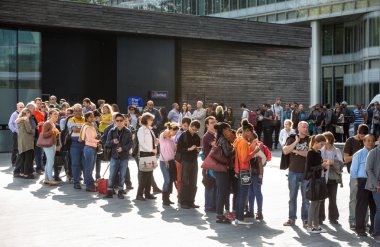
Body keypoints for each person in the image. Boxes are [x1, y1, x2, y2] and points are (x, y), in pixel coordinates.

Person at [283, 121, 310, 227]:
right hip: (293, 172)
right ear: (298, 128)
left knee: (306, 198)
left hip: (306, 173)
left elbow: (309, 153)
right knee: (292, 197)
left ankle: (306, 219)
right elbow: (285, 151)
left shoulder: (310, 139)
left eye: (307, 127)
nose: (305, 129)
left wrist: (296, 151)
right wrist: (295, 142)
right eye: (303, 127)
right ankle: (291, 218)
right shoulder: (292, 138)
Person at [343, 123, 369, 229]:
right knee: (353, 198)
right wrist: (357, 155)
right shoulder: (350, 141)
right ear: (357, 132)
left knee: (365, 199)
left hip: (366, 175)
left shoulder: (368, 141)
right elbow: (346, 159)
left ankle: (364, 221)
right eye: (361, 136)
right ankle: (352, 220)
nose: (362, 138)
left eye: (364, 137)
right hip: (354, 174)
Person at [351, 134, 376, 236]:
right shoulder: (359, 154)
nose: (370, 142)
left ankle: (374, 228)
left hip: (374, 181)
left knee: (374, 206)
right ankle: (360, 228)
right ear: (364, 142)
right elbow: (353, 170)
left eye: (372, 141)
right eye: (368, 140)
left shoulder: (376, 153)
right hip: (363, 181)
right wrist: (357, 182)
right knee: (362, 206)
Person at [105, 113, 133, 199]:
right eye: (117, 120)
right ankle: (109, 191)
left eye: (121, 120)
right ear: (115, 121)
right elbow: (107, 143)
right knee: (112, 174)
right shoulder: (112, 131)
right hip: (114, 156)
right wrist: (113, 141)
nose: (119, 122)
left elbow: (131, 143)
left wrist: (123, 148)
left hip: (124, 156)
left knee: (123, 175)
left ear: (124, 121)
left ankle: (120, 191)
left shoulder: (128, 131)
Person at [233, 120, 255, 225]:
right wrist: (253, 152)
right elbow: (244, 159)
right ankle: (240, 218)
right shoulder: (244, 142)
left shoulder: (238, 140)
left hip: (238, 170)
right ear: (247, 131)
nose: (252, 134)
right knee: (242, 195)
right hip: (244, 171)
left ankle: (238, 217)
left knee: (239, 195)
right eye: (251, 132)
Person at [319, 132, 343, 225]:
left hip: (333, 178)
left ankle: (333, 218)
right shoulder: (321, 150)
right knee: (321, 198)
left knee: (332, 199)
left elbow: (341, 164)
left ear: (330, 140)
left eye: (325, 139)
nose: (324, 141)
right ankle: (320, 217)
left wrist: (332, 162)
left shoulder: (336, 150)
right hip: (322, 177)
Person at [304, 134, 327, 234]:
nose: (322, 146)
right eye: (321, 144)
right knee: (314, 203)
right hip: (313, 180)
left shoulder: (318, 152)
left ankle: (316, 225)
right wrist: (321, 166)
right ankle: (309, 226)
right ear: (316, 142)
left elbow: (317, 166)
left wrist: (323, 165)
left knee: (318, 203)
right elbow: (308, 169)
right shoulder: (311, 152)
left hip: (319, 179)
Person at [177, 120, 201, 209]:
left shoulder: (197, 137)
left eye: (195, 130)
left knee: (193, 182)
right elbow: (179, 149)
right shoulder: (183, 135)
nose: (193, 131)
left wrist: (198, 150)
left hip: (194, 160)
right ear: (190, 126)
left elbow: (198, 148)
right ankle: (183, 201)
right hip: (185, 160)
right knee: (185, 181)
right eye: (192, 128)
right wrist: (188, 149)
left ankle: (191, 201)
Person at [214, 122, 235, 224]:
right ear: (223, 130)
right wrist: (235, 149)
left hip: (222, 169)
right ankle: (219, 215)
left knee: (222, 192)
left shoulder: (220, 139)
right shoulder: (223, 140)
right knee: (222, 192)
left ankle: (221, 214)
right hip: (221, 169)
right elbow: (227, 154)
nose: (230, 132)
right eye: (228, 130)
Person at [136, 112, 158, 201]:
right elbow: (141, 142)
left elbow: (152, 142)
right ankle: (139, 194)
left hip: (150, 153)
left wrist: (155, 144)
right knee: (145, 175)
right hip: (145, 153)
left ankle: (148, 193)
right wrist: (151, 149)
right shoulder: (142, 129)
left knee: (149, 175)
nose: (152, 121)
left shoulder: (149, 129)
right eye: (151, 120)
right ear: (147, 120)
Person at [159, 122, 179, 206]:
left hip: (171, 162)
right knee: (167, 179)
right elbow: (165, 132)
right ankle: (164, 199)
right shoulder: (163, 137)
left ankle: (167, 198)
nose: (175, 133)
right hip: (163, 162)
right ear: (171, 130)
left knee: (170, 180)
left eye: (176, 132)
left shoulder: (172, 139)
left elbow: (174, 150)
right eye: (175, 131)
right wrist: (170, 129)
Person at [365, 134, 380, 243]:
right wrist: (377, 184)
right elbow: (369, 170)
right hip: (376, 186)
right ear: (379, 140)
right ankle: (376, 233)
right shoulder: (373, 152)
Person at [68, 104, 86, 190]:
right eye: (76, 111)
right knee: (75, 163)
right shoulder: (71, 119)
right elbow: (74, 129)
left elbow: (91, 128)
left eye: (79, 110)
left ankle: (87, 181)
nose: (78, 112)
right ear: (73, 112)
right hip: (75, 144)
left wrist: (80, 128)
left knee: (86, 163)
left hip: (86, 143)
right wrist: (84, 128)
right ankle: (76, 182)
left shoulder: (86, 119)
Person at [80, 111, 99, 192]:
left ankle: (91, 184)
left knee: (90, 168)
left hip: (92, 148)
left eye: (92, 116)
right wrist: (98, 140)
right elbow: (89, 138)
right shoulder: (87, 126)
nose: (92, 118)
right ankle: (89, 185)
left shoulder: (91, 126)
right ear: (87, 118)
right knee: (88, 168)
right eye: (90, 117)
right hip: (89, 148)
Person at [14, 108, 35, 179]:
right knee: (28, 158)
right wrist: (33, 131)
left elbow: (16, 122)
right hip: (27, 142)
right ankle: (26, 174)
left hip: (21, 141)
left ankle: (22, 173)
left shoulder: (20, 120)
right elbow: (29, 130)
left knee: (23, 158)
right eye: (28, 113)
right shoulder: (26, 120)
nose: (30, 114)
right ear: (26, 113)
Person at [174, 116, 191, 198]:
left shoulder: (191, 133)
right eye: (184, 125)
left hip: (188, 159)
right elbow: (177, 145)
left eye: (188, 126)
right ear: (181, 124)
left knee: (187, 177)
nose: (186, 128)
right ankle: (179, 193)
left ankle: (185, 193)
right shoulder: (179, 133)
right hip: (180, 158)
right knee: (179, 177)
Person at [41, 109, 60, 185]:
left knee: (49, 162)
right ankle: (50, 179)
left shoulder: (52, 123)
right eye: (55, 114)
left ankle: (46, 179)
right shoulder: (48, 123)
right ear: (50, 115)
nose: (56, 115)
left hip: (52, 144)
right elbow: (44, 135)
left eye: (57, 114)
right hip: (48, 144)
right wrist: (52, 130)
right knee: (51, 162)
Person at [203, 116, 217, 212]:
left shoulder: (215, 134)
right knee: (209, 186)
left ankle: (214, 205)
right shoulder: (208, 135)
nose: (214, 123)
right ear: (207, 125)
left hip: (215, 164)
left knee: (215, 186)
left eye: (215, 122)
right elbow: (216, 145)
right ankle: (208, 206)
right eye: (211, 122)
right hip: (209, 165)